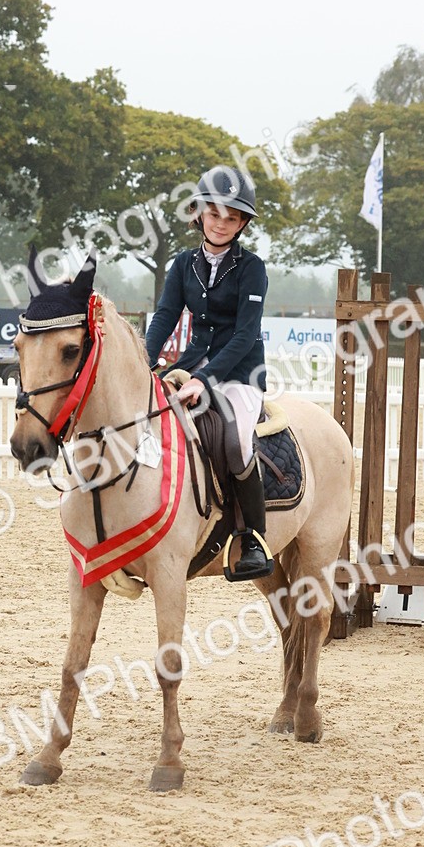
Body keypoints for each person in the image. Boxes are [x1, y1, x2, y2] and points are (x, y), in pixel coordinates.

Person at [145, 166, 273, 578]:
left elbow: (245, 334)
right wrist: (144, 361)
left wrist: (204, 379)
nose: (221, 223)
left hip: (241, 374)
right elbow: (165, 316)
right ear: (199, 213)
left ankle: (253, 539)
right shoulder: (184, 264)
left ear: (242, 223)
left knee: (236, 441)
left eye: (231, 217)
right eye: (214, 213)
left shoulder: (252, 268)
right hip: (192, 364)